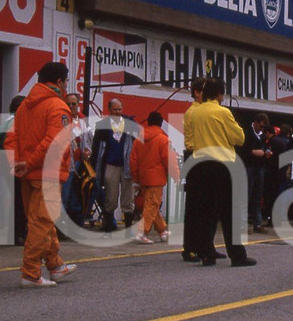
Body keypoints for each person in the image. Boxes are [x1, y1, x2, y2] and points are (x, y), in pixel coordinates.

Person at [11, 62, 77, 287]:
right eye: (66, 81)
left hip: (28, 174)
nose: (66, 86)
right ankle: (30, 273)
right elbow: (55, 143)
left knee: (40, 221)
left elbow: (14, 138)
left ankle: (55, 265)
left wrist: (22, 164)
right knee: (41, 223)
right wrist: (30, 163)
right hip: (47, 173)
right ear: (59, 82)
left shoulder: (23, 107)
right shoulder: (58, 107)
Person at [186, 77, 255, 266]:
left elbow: (190, 140)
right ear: (219, 93)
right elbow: (239, 138)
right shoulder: (223, 112)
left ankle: (206, 253)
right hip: (222, 165)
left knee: (205, 212)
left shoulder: (195, 113)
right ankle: (237, 255)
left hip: (200, 165)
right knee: (229, 212)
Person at [180, 77, 224, 262]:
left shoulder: (205, 110)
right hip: (196, 155)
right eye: (204, 90)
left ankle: (207, 245)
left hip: (205, 156)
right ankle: (191, 247)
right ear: (197, 93)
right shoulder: (195, 112)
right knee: (195, 206)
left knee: (210, 206)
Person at [130, 111, 179, 244]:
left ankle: (162, 231)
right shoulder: (163, 140)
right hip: (156, 178)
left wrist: (136, 178)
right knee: (152, 205)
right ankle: (142, 233)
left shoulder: (139, 139)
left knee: (151, 205)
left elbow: (133, 161)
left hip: (143, 178)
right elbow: (169, 160)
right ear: (161, 123)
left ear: (148, 122)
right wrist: (176, 175)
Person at [91, 98, 137, 235]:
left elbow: (137, 146)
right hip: (110, 165)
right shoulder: (102, 126)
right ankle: (109, 227)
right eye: (115, 109)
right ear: (109, 110)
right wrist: (95, 167)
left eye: (119, 109)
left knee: (128, 199)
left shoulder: (130, 124)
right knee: (110, 198)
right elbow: (96, 147)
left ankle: (128, 229)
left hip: (127, 166)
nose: (117, 112)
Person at [0, 95, 27, 244]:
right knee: (18, 202)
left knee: (12, 202)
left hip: (6, 163)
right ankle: (17, 234)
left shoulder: (7, 121)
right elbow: (9, 144)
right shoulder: (15, 122)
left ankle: (13, 234)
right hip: (14, 165)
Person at [61, 92, 92, 227]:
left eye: (73, 104)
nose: (71, 106)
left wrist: (88, 151)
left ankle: (77, 226)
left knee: (78, 198)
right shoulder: (61, 121)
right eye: (68, 104)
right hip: (66, 165)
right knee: (65, 196)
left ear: (78, 105)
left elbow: (89, 141)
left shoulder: (83, 121)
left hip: (80, 165)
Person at [239, 112, 271, 232]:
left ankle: (257, 223)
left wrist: (266, 154)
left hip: (259, 167)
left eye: (264, 127)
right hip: (248, 167)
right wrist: (253, 152)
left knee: (257, 196)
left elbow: (263, 149)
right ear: (255, 123)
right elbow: (241, 151)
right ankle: (242, 224)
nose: (262, 129)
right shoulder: (246, 133)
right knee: (245, 196)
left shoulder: (263, 137)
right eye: (261, 126)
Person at [263, 123, 292, 228]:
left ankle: (272, 219)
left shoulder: (273, 142)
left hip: (273, 173)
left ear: (268, 133)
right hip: (281, 173)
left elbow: (270, 156)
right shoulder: (282, 142)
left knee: (271, 197)